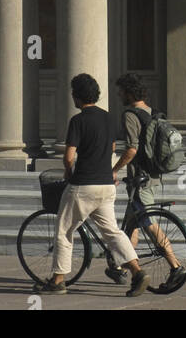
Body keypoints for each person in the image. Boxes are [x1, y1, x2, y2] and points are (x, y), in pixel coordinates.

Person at [42, 72, 148, 296]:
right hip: (106, 185)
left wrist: (69, 173)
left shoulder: (78, 121)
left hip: (83, 185)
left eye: (73, 94)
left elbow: (69, 156)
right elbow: (111, 149)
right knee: (113, 232)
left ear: (77, 96)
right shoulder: (109, 118)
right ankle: (138, 273)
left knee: (64, 230)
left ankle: (57, 280)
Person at [113, 72, 186, 293]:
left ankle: (175, 266)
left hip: (140, 180)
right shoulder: (153, 112)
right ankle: (122, 268)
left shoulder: (130, 115)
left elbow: (132, 149)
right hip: (153, 176)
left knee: (149, 223)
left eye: (120, 92)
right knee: (130, 225)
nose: (119, 95)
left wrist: (114, 170)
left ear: (127, 93)